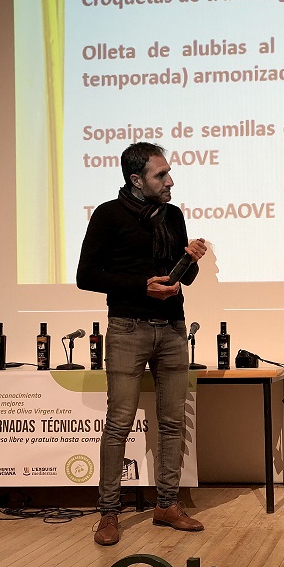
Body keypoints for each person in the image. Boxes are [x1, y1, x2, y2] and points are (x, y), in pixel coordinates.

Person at [77, 142, 208, 546]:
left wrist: (190, 260)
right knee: (119, 423)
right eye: (161, 175)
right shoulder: (108, 215)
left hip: (172, 329)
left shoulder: (173, 215)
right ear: (136, 180)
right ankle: (108, 513)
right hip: (128, 329)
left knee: (172, 422)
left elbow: (183, 279)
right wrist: (141, 286)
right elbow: (86, 275)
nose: (170, 181)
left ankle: (166, 504)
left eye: (169, 173)